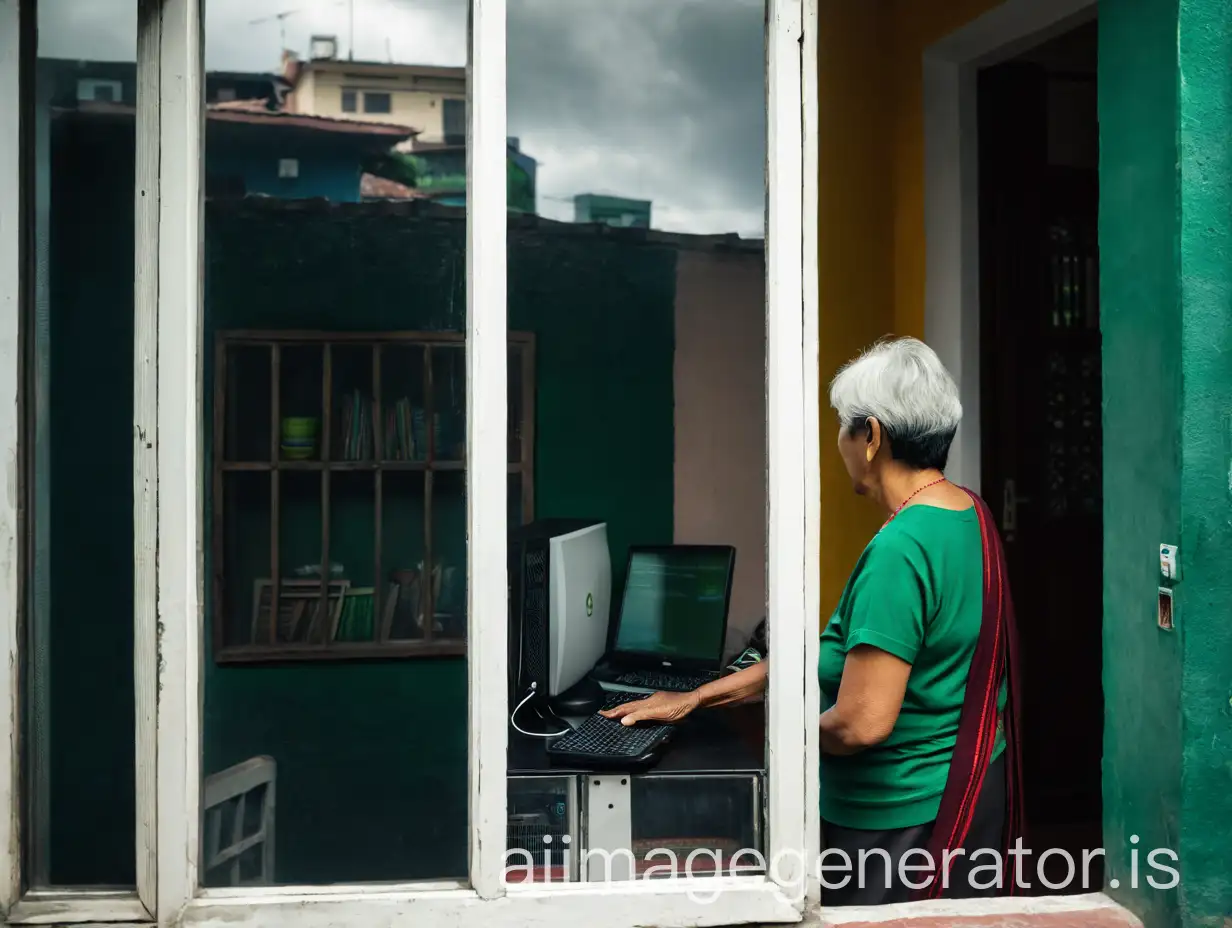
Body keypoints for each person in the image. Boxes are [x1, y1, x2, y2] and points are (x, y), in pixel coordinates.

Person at [601, 337, 1023, 905]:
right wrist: (698, 699)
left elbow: (860, 724)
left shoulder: (902, 548)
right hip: (966, 797)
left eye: (844, 427)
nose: (840, 443)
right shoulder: (967, 512)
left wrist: (768, 742)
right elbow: (846, 661)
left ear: (871, 437)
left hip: (898, 827)